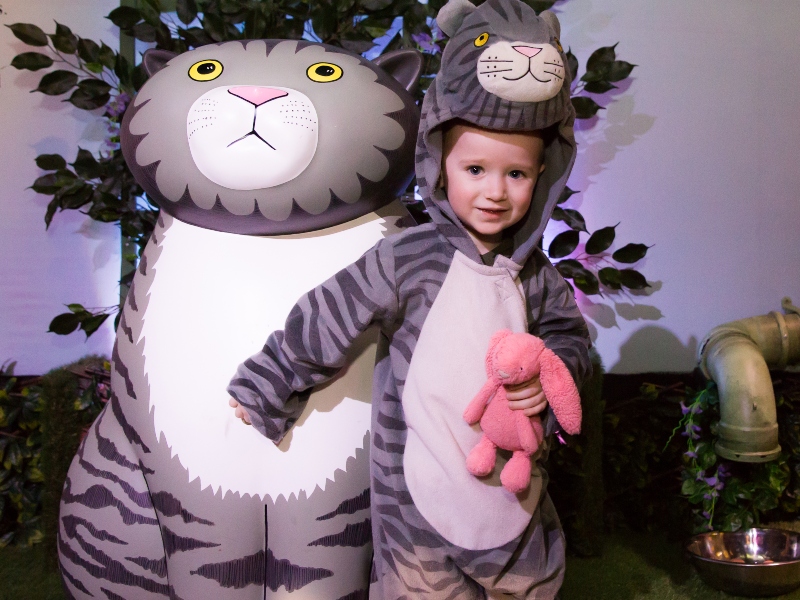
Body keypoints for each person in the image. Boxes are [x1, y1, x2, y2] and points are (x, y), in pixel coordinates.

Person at [228, 2, 591, 597]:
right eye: (475, 168)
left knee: (532, 581)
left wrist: (551, 381)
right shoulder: (409, 257)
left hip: (515, 492)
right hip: (416, 506)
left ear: (544, 176)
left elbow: (571, 342)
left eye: (517, 175)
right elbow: (331, 313)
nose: (495, 191)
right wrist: (268, 382)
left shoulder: (538, 277)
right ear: (441, 166)